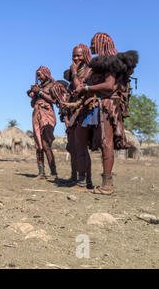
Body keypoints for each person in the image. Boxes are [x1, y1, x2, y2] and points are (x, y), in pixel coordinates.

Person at [73, 33, 138, 195]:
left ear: (102, 44)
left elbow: (109, 86)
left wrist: (87, 88)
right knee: (96, 141)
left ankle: (107, 185)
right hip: (96, 105)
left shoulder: (109, 62)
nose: (92, 47)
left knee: (106, 142)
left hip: (107, 105)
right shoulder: (99, 64)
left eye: (93, 44)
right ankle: (85, 182)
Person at [60, 44, 93, 189]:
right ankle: (75, 177)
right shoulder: (78, 70)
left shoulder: (89, 71)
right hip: (72, 113)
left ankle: (85, 180)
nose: (76, 58)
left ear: (85, 55)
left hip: (83, 112)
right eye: (74, 55)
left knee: (81, 148)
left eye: (79, 55)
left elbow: (80, 89)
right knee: (72, 147)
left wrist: (73, 73)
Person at [27, 66, 58, 181]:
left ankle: (54, 173)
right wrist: (34, 94)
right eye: (37, 75)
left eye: (40, 75)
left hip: (47, 115)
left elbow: (55, 100)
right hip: (36, 115)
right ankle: (41, 173)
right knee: (38, 144)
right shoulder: (38, 87)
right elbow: (32, 104)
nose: (39, 78)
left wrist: (40, 92)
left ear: (46, 74)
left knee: (46, 144)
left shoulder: (53, 86)